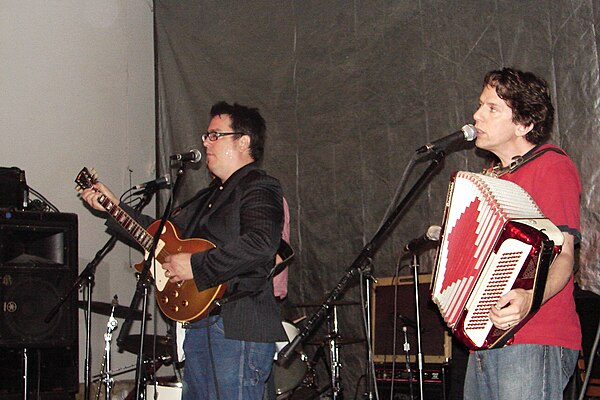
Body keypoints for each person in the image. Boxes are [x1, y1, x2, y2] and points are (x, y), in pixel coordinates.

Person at [81, 101, 288, 400]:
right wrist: (113, 208)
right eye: (206, 135)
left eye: (215, 135)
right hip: (199, 325)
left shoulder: (259, 186)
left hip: (237, 327)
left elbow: (261, 243)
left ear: (243, 141)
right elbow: (160, 238)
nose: (205, 142)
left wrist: (195, 266)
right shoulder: (206, 197)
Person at [464, 67, 581, 399]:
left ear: (524, 124)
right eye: (480, 105)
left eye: (492, 108)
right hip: (484, 339)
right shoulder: (490, 180)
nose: (476, 115)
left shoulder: (551, 166)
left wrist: (530, 298)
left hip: (535, 335)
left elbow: (565, 255)